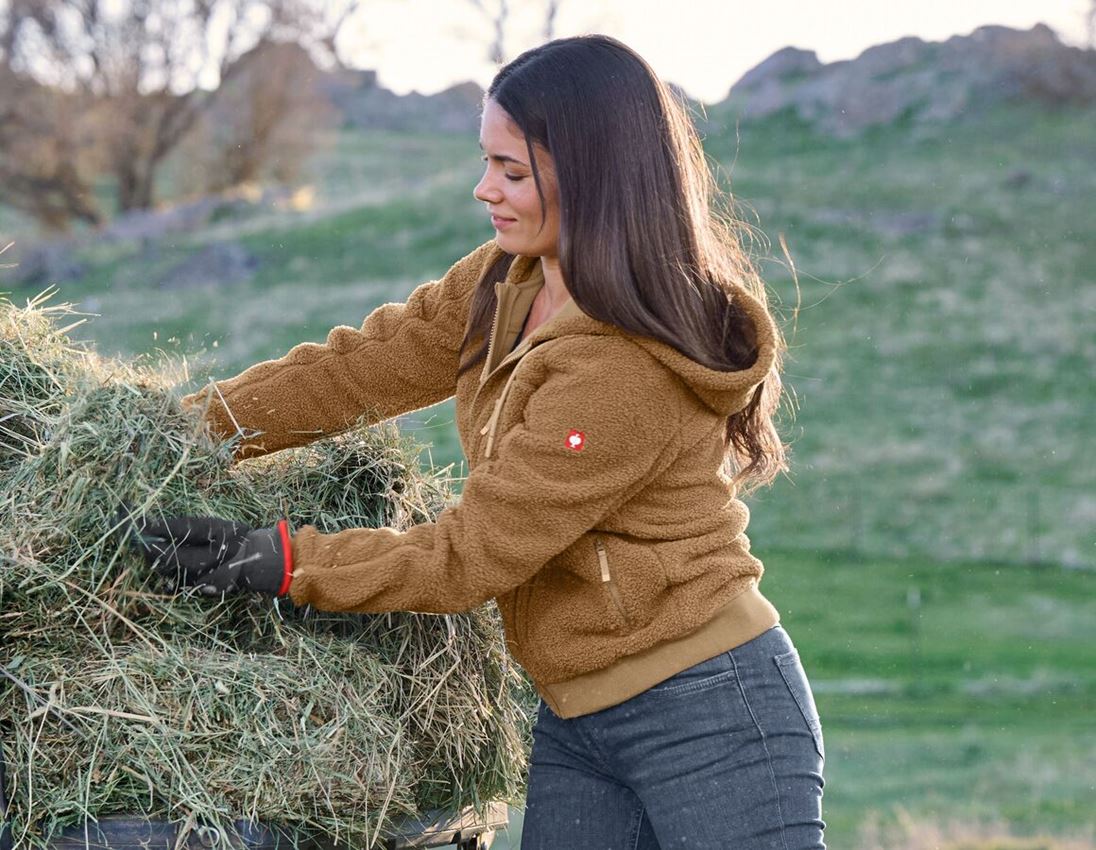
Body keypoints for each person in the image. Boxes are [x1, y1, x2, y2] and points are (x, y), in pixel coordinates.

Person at [125, 34, 827, 850]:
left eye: (513, 172)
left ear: (595, 177)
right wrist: (179, 432)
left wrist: (284, 561)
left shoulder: (619, 371)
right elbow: (363, 367)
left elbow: (470, 556)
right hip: (575, 715)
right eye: (487, 162)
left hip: (709, 714)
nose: (484, 188)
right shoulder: (506, 277)